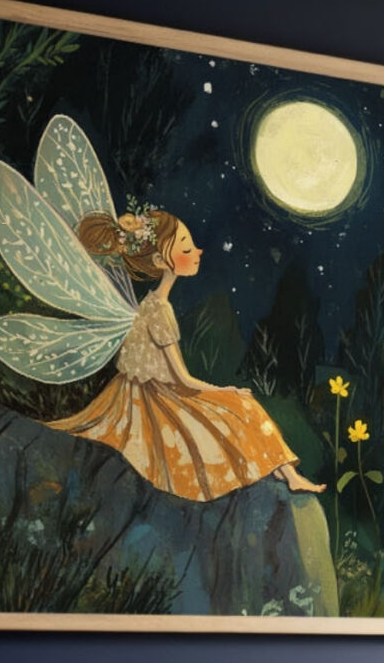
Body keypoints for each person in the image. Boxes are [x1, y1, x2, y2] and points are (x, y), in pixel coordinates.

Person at [48, 208, 325, 502]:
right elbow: (183, 379)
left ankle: (289, 475)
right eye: (186, 248)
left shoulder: (149, 303)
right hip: (159, 397)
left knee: (242, 408)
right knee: (243, 406)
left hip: (150, 391)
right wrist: (226, 391)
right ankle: (290, 476)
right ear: (160, 261)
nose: (198, 252)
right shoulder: (160, 310)